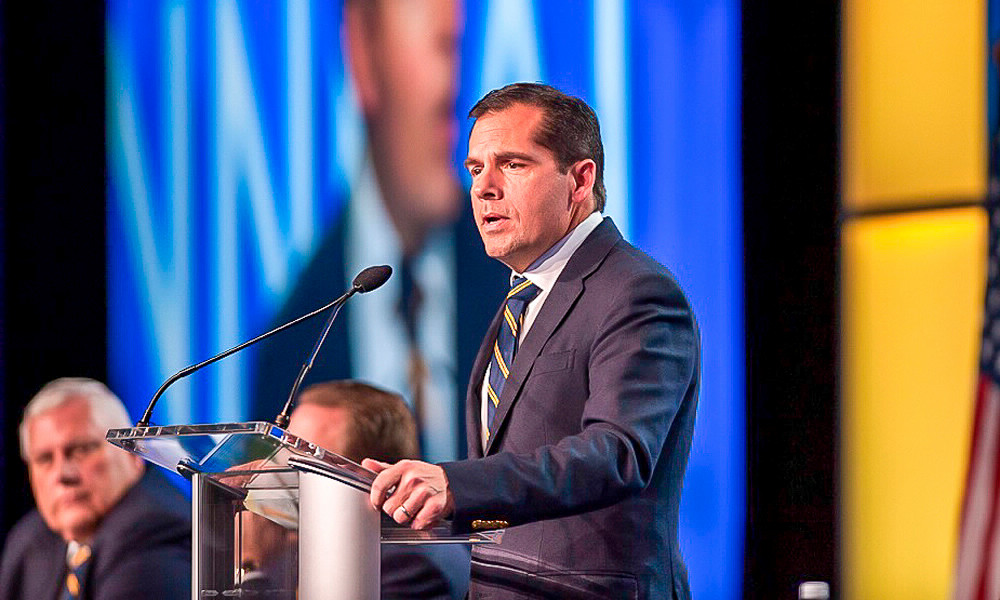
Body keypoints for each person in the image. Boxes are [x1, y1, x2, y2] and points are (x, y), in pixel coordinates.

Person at [362, 83, 701, 599]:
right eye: (475, 168)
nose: (483, 188)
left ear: (580, 180)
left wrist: (457, 484)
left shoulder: (635, 291)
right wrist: (413, 500)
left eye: (513, 165)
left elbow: (618, 453)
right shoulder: (522, 296)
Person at [253, 0, 506, 462]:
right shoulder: (291, 337)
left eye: (455, 43)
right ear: (363, 51)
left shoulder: (513, 292)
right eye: (432, 38)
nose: (452, 73)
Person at [242, 380, 470, 599]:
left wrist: (252, 565)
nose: (282, 470)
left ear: (369, 474)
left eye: (302, 459)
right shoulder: (323, 544)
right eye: (283, 451)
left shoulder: (409, 562)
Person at [0, 378, 190, 600]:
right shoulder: (29, 541)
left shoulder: (153, 531)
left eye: (81, 449)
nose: (62, 474)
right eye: (44, 459)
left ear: (132, 452)